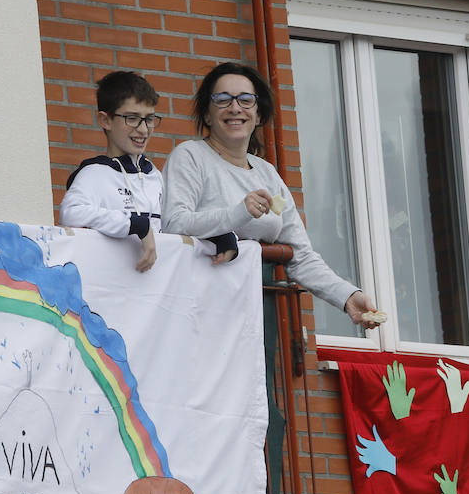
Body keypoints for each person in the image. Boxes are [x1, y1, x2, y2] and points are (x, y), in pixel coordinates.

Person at [162, 61, 379, 326]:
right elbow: (174, 224)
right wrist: (239, 212)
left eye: (245, 100)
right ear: (207, 115)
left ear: (259, 114)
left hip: (258, 311)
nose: (234, 108)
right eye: (222, 99)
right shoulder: (190, 156)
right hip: (203, 308)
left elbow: (301, 256)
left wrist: (348, 296)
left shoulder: (267, 173)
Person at [59, 70, 169, 273]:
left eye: (149, 119)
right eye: (132, 118)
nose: (144, 130)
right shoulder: (93, 173)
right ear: (105, 121)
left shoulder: (155, 175)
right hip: (110, 293)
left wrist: (210, 239)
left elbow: (171, 227)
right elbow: (70, 214)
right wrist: (134, 224)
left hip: (155, 293)